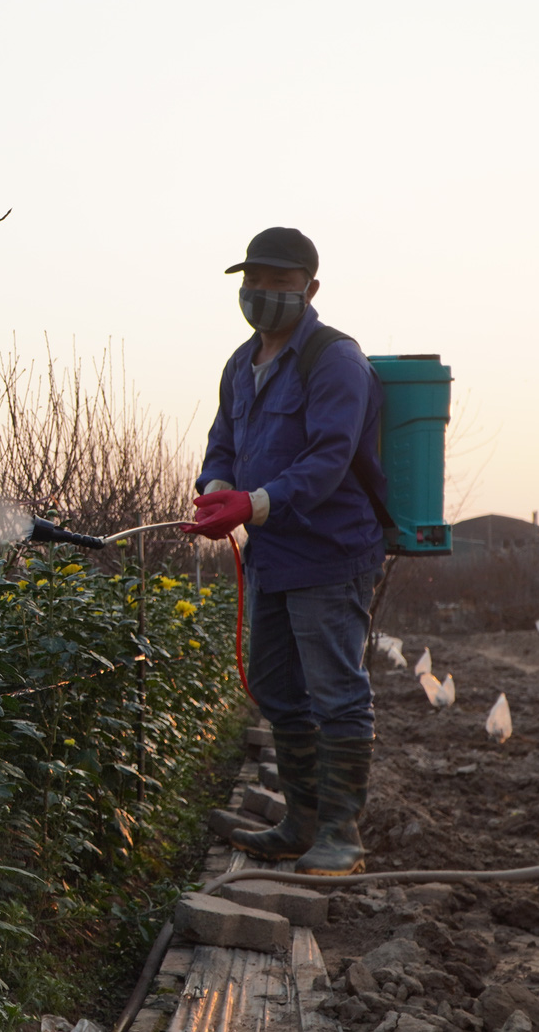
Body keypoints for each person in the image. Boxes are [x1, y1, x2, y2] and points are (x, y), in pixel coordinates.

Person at [183, 226, 387, 877]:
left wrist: (254, 503)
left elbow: (329, 457)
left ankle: (341, 836)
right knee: (273, 682)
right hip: (272, 552)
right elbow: (222, 445)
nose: (264, 294)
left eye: (279, 283)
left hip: (330, 549)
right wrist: (219, 492)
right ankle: (301, 821)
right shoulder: (240, 366)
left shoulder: (334, 359)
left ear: (311, 288)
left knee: (336, 691)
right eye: (255, 282)